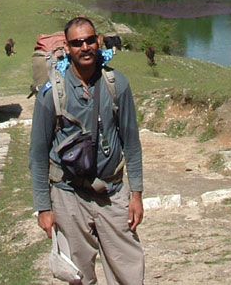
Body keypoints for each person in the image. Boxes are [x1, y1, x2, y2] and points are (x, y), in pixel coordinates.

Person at [30, 16, 145, 285]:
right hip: (69, 197)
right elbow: (37, 154)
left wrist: (136, 193)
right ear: (67, 49)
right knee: (79, 276)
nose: (85, 47)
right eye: (77, 43)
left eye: (90, 40)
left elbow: (132, 142)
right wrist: (43, 208)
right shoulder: (51, 94)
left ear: (98, 42)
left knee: (129, 270)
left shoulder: (118, 84)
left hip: (112, 193)